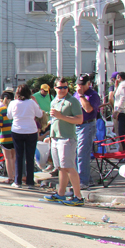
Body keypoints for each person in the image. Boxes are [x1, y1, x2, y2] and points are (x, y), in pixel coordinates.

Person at [43, 78, 85, 207]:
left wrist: (62, 116)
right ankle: (60, 193)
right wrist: (50, 135)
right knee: (61, 167)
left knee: (69, 167)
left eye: (65, 87)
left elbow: (79, 120)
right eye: (60, 87)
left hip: (67, 138)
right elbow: (54, 120)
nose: (62, 90)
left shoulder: (72, 101)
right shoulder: (54, 101)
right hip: (56, 137)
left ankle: (78, 196)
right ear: (54, 88)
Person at [9, 84, 44, 188]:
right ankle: (30, 182)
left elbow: (9, 116)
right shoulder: (32, 103)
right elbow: (40, 114)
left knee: (19, 156)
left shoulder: (13, 103)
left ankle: (17, 181)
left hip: (17, 130)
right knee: (30, 157)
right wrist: (36, 102)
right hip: (31, 130)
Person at [74, 74, 102, 189]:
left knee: (82, 153)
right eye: (78, 84)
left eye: (82, 84)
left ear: (88, 84)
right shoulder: (75, 94)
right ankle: (83, 178)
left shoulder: (93, 95)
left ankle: (83, 181)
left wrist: (81, 96)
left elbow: (88, 109)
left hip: (87, 125)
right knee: (75, 153)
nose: (79, 86)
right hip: (76, 126)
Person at [0, 90, 17, 185]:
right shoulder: (16, 108)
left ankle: (10, 177)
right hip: (15, 135)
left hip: (5, 136)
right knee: (14, 157)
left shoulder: (1, 110)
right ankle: (15, 176)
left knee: (8, 158)